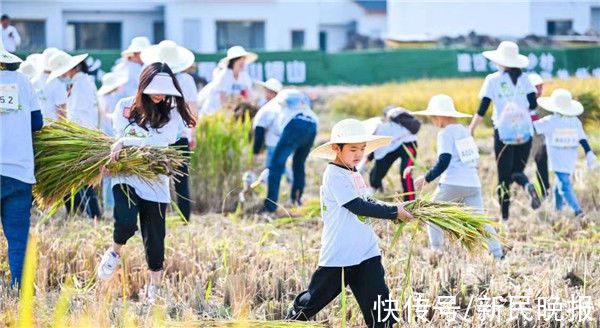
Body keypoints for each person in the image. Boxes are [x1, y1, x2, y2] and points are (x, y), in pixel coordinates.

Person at [286, 118, 413, 328]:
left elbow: (367, 201)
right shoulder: (334, 175)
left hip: (366, 252)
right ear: (336, 148)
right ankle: (288, 322)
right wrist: (393, 212)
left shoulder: (354, 173)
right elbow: (357, 206)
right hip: (340, 256)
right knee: (311, 303)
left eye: (362, 149)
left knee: (382, 313)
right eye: (353, 149)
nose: (359, 154)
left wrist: (399, 208)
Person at [97, 62, 196, 303]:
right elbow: (120, 135)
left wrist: (124, 144)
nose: (160, 94)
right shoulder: (124, 106)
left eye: (164, 89)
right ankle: (114, 252)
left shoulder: (172, 115)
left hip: (155, 181)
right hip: (126, 176)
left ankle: (154, 288)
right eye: (155, 88)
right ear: (143, 85)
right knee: (126, 222)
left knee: (155, 236)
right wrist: (120, 144)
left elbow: (159, 144)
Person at [406, 94, 504, 260]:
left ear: (439, 117)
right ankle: (498, 254)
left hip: (452, 182)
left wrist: (427, 178)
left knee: (430, 212)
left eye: (432, 117)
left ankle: (436, 251)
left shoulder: (445, 133)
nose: (432, 121)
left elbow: (444, 161)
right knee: (480, 220)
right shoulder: (465, 131)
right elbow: (475, 159)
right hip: (473, 184)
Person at [469, 41, 541, 223]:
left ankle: (505, 219)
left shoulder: (492, 80)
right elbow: (533, 105)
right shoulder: (526, 80)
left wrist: (471, 129)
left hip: (504, 134)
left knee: (503, 178)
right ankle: (527, 185)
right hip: (525, 133)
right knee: (517, 171)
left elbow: (483, 108)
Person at [0, 37, 43, 288]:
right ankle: (19, 289)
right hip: (19, 172)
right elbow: (37, 124)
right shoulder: (23, 82)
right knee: (18, 240)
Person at [141, 40, 198, 222]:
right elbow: (193, 111)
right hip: (180, 137)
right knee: (181, 182)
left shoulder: (153, 79)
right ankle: (184, 220)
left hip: (155, 137)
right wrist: (192, 134)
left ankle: (157, 219)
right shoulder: (186, 80)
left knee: (156, 180)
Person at [48, 50, 102, 220]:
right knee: (83, 177)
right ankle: (91, 214)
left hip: (82, 135)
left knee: (84, 178)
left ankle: (93, 215)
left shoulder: (80, 84)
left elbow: (77, 113)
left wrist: (69, 133)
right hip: (85, 133)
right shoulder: (82, 81)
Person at [534, 89, 597, 217]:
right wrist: (588, 151)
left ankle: (573, 211)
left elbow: (534, 127)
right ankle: (565, 210)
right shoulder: (571, 121)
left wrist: (530, 114)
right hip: (565, 158)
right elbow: (582, 139)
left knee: (562, 183)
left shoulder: (551, 120)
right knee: (563, 181)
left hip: (562, 157)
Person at [262, 89, 318, 213]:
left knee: (276, 165)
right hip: (313, 124)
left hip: (294, 124)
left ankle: (270, 206)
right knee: (299, 164)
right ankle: (296, 200)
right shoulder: (301, 98)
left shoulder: (279, 99)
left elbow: (274, 129)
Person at [364, 106, 420, 200]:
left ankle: (410, 202)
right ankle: (375, 188)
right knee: (379, 168)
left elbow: (379, 151)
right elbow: (379, 155)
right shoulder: (381, 128)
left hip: (408, 144)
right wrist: (369, 158)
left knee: (406, 174)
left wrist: (369, 158)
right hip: (394, 145)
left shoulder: (381, 131)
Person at [97, 72, 128, 214]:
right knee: (111, 173)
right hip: (112, 138)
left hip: (108, 137)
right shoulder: (111, 98)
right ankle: (110, 206)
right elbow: (108, 116)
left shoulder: (103, 97)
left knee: (108, 173)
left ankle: (109, 205)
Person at [200, 46, 256, 115]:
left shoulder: (244, 76)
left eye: (244, 59)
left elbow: (249, 96)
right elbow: (222, 102)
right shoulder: (224, 76)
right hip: (213, 114)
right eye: (240, 59)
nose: (243, 62)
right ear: (233, 61)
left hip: (231, 113)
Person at [527, 72, 550, 198]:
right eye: (537, 87)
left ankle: (545, 194)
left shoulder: (544, 105)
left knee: (542, 170)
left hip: (541, 142)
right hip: (528, 143)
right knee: (527, 170)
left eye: (541, 87)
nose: (539, 90)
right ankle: (531, 194)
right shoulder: (525, 104)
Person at [35, 48, 66, 122]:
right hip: (53, 128)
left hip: (36, 126)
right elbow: (61, 111)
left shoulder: (33, 81)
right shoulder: (57, 83)